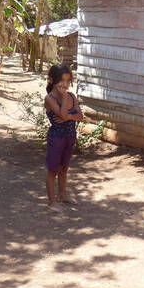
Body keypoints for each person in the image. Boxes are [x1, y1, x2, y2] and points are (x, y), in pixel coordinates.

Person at [44, 63, 84, 212]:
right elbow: (62, 114)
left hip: (69, 136)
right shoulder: (50, 98)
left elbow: (80, 116)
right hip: (56, 138)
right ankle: (51, 201)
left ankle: (62, 194)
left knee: (64, 168)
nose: (65, 84)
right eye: (62, 80)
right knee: (52, 170)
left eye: (68, 81)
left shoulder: (72, 96)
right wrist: (65, 99)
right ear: (51, 80)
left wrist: (69, 117)